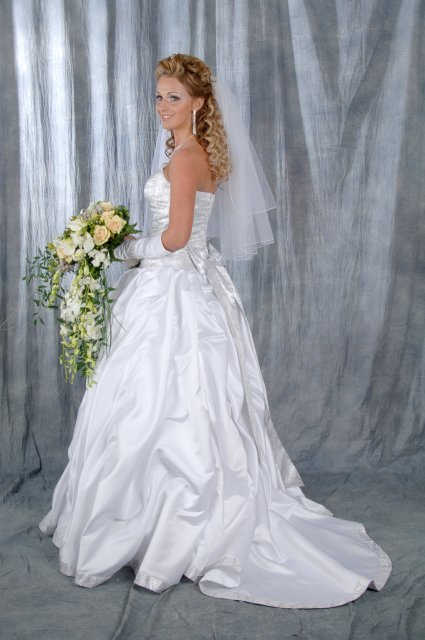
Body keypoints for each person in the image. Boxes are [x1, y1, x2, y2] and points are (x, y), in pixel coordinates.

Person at [39, 53, 392, 608]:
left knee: (165, 403)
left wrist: (119, 249)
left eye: (174, 97)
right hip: (183, 286)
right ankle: (153, 521)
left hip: (174, 290)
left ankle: (168, 528)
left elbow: (176, 238)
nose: (163, 106)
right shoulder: (190, 153)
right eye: (159, 96)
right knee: (160, 404)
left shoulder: (186, 159)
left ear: (199, 103)